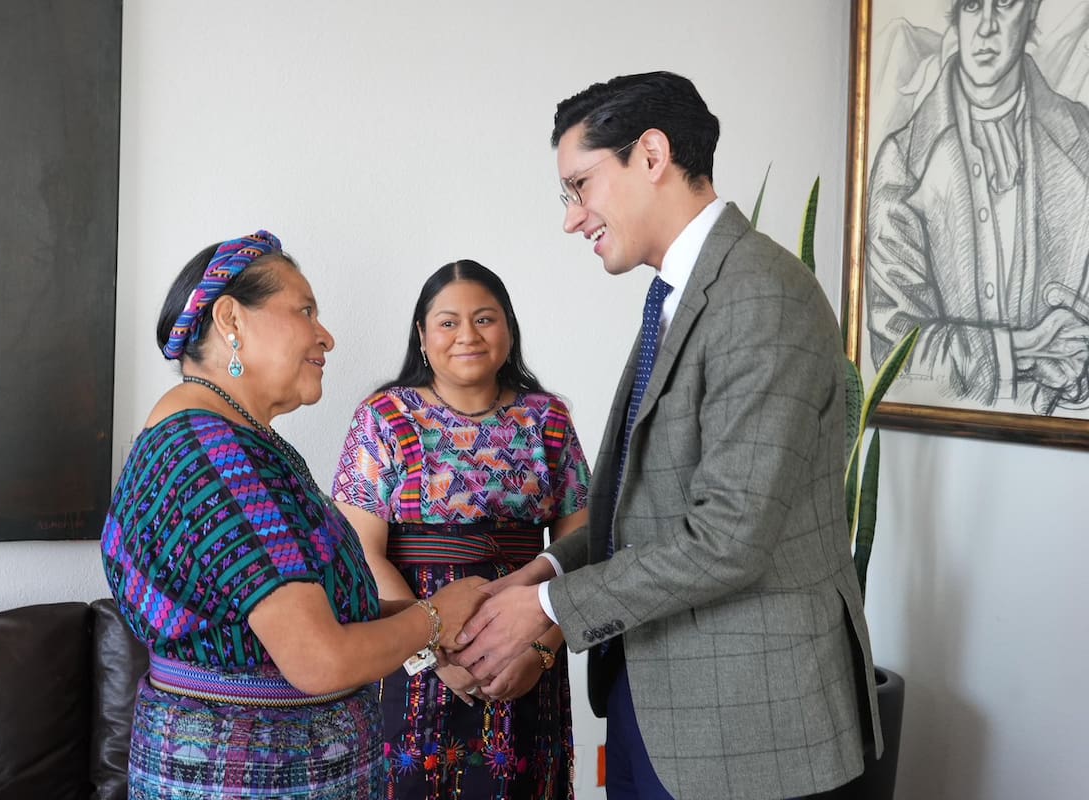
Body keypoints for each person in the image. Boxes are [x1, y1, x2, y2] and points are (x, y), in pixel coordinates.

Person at [451, 72, 883, 800]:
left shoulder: (762, 295)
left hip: (750, 734)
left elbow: (729, 536)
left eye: (580, 185)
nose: (572, 218)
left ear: (652, 155)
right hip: (656, 702)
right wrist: (551, 570)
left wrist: (551, 610)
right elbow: (647, 501)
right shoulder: (680, 294)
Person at [100, 230, 486, 800]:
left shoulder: (215, 439)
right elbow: (316, 658)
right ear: (231, 318)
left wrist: (411, 619)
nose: (325, 336)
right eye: (304, 309)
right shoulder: (217, 457)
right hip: (252, 779)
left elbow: (280, 613)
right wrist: (432, 619)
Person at [331, 259, 591, 800]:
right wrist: (430, 654)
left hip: (527, 651)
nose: (467, 335)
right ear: (422, 338)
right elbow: (360, 553)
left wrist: (541, 652)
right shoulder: (383, 417)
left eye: (485, 319)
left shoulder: (550, 420)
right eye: (447, 322)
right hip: (409, 654)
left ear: (509, 330)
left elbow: (582, 550)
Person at [865, 0, 1089, 414]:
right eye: (971, 5)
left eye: (1004, 4)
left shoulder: (1083, 143)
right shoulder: (902, 162)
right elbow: (894, 358)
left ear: (1032, 12)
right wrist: (1022, 349)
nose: (985, 26)